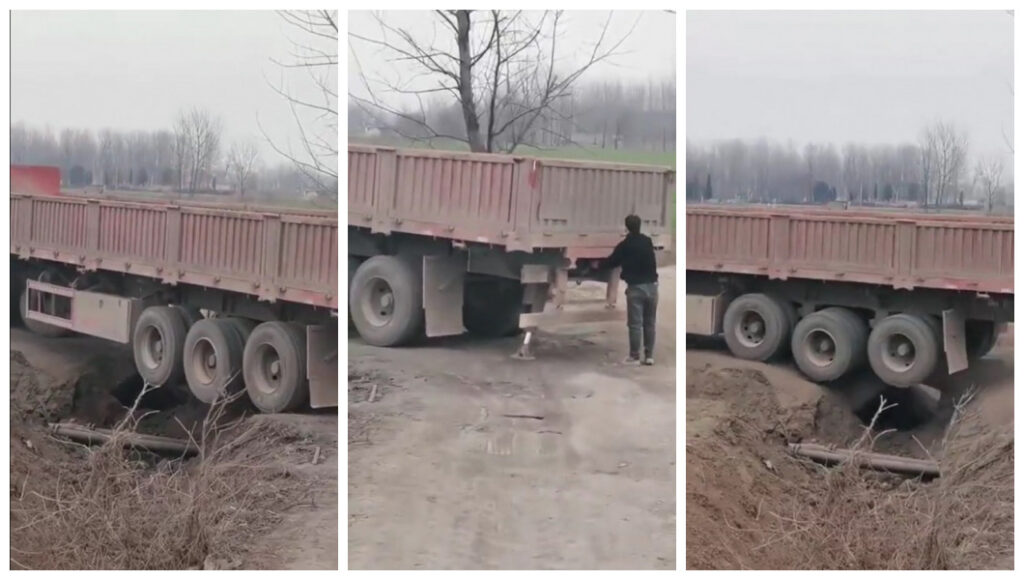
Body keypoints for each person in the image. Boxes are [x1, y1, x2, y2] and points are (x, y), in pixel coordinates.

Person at [604, 214, 658, 365]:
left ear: (626, 227)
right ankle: (649, 356)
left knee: (635, 324)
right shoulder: (647, 242)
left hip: (635, 288)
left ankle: (634, 356)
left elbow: (612, 261)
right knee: (650, 323)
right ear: (640, 226)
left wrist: (598, 265)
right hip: (652, 287)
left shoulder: (625, 245)